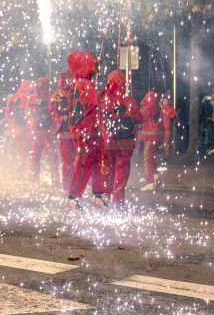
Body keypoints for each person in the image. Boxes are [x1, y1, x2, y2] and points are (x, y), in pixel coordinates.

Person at [49, 52, 105, 208]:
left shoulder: (78, 84)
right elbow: (92, 105)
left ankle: (85, 194)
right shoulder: (84, 85)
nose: (95, 70)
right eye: (93, 65)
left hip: (78, 129)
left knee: (81, 160)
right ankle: (72, 195)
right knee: (80, 161)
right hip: (84, 130)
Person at [98, 70, 139, 206]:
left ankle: (108, 196)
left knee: (108, 169)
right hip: (125, 144)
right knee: (121, 170)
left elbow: (98, 121)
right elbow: (140, 118)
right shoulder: (130, 102)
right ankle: (118, 201)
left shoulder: (103, 101)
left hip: (108, 143)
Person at [137, 91, 163, 190]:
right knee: (151, 157)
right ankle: (156, 175)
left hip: (149, 137)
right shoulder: (157, 107)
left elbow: (139, 118)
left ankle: (149, 183)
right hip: (157, 137)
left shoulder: (147, 108)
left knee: (147, 159)